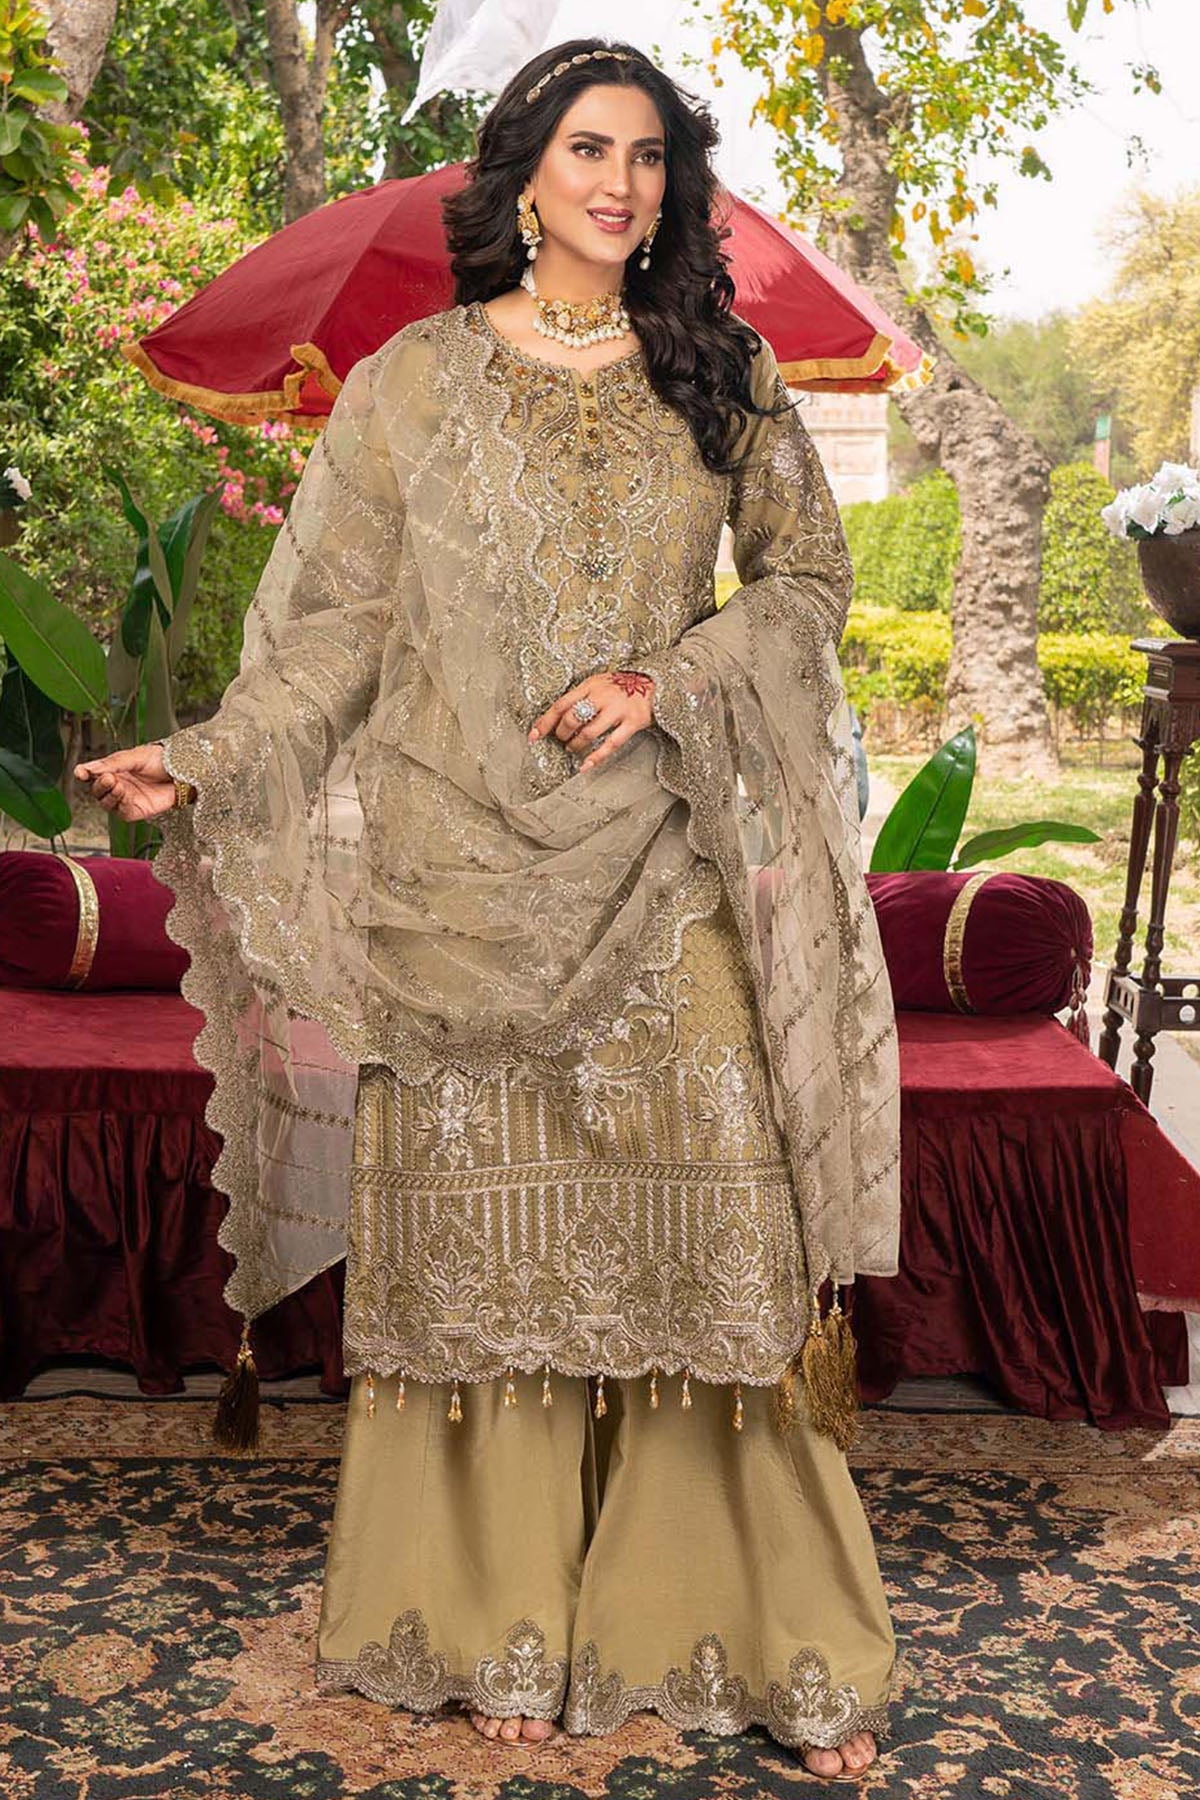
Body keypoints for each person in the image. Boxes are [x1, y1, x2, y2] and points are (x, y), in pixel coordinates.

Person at [76, 37, 901, 1782]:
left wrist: (670, 678)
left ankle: (735, 1625)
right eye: (588, 149)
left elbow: (813, 580)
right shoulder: (409, 386)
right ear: (521, 170)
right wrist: (210, 756)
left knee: (716, 1247)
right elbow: (339, 638)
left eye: (652, 156)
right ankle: (483, 1615)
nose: (622, 183)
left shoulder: (718, 372)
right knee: (480, 1272)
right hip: (452, 892)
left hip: (656, 876)